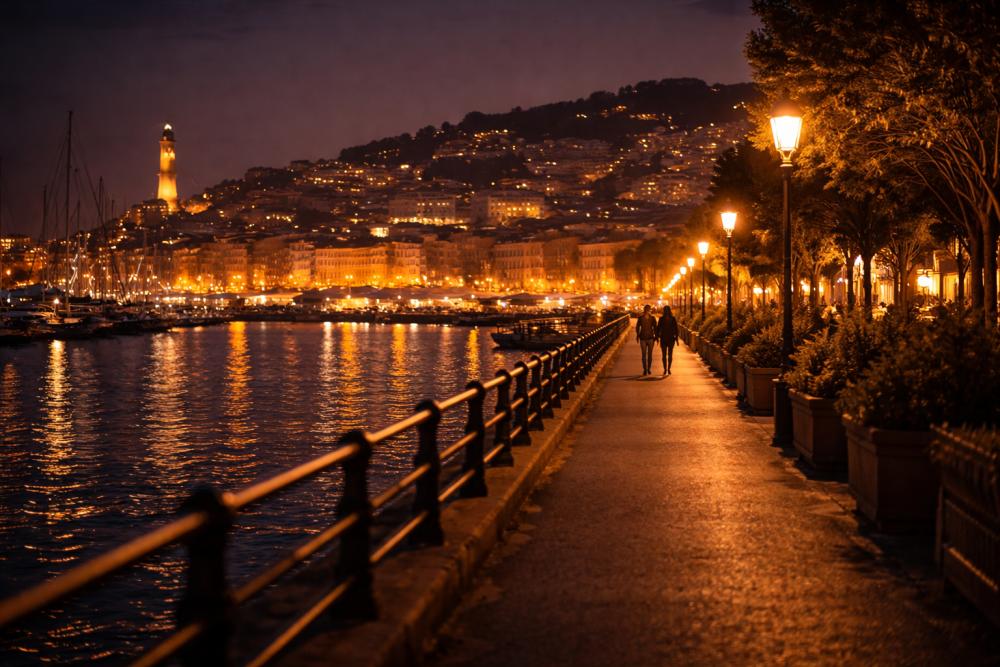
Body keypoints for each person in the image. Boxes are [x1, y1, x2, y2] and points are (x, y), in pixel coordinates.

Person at [656, 305, 678, 375]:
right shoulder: (663, 319)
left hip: (667, 338)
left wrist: (657, 337)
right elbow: (658, 328)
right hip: (668, 338)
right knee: (667, 355)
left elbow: (676, 329)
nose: (666, 311)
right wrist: (657, 337)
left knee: (666, 355)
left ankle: (667, 369)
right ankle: (667, 369)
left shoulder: (665, 319)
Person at [635, 304, 657, 375]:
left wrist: (656, 337)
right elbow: (637, 327)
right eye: (646, 309)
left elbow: (655, 327)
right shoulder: (640, 318)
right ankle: (645, 369)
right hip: (643, 338)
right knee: (644, 355)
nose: (647, 311)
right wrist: (637, 336)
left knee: (650, 355)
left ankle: (649, 369)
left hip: (650, 338)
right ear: (644, 310)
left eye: (648, 309)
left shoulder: (652, 318)